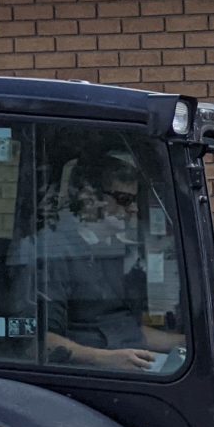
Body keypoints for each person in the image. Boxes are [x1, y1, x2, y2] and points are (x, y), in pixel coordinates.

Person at [30, 145, 182, 373]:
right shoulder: (53, 251)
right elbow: (36, 341)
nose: (133, 210)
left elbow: (127, 330)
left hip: (130, 363)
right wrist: (104, 359)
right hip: (91, 374)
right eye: (123, 199)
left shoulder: (113, 253)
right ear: (89, 198)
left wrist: (187, 343)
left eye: (134, 200)